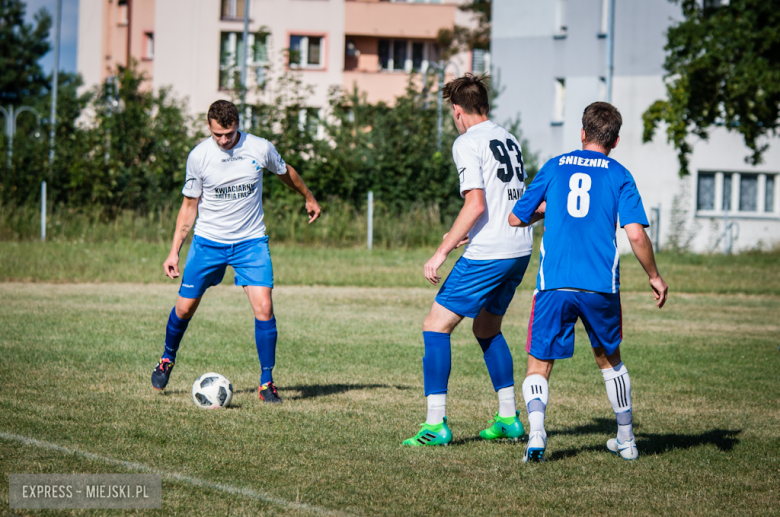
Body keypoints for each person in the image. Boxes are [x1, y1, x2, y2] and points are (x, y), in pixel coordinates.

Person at [509, 101, 668, 462]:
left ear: (582, 133)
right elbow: (637, 236)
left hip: (555, 284)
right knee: (610, 361)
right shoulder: (620, 174)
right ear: (614, 141)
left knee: (539, 363)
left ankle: (536, 435)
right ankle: (626, 440)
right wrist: (655, 276)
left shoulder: (554, 166)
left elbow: (517, 219)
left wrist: (549, 208)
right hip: (600, 286)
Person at [151, 100, 321, 403]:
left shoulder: (259, 148)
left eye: (229, 133)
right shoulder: (199, 156)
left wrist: (307, 196)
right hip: (207, 242)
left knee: (264, 308)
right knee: (184, 309)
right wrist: (174, 251)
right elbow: (189, 207)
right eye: (218, 135)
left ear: (237, 125)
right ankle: (167, 358)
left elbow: (285, 171)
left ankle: (267, 382)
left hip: (250, 242)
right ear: (209, 128)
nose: (224, 141)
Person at [402, 74, 534, 446]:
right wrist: (459, 234)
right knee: (486, 328)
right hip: (518, 249)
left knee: (435, 325)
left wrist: (441, 252)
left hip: (489, 253)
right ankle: (508, 417)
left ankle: (434, 425)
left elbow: (475, 203)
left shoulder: (466, 142)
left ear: (457, 111)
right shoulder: (508, 137)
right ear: (486, 106)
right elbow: (503, 200)